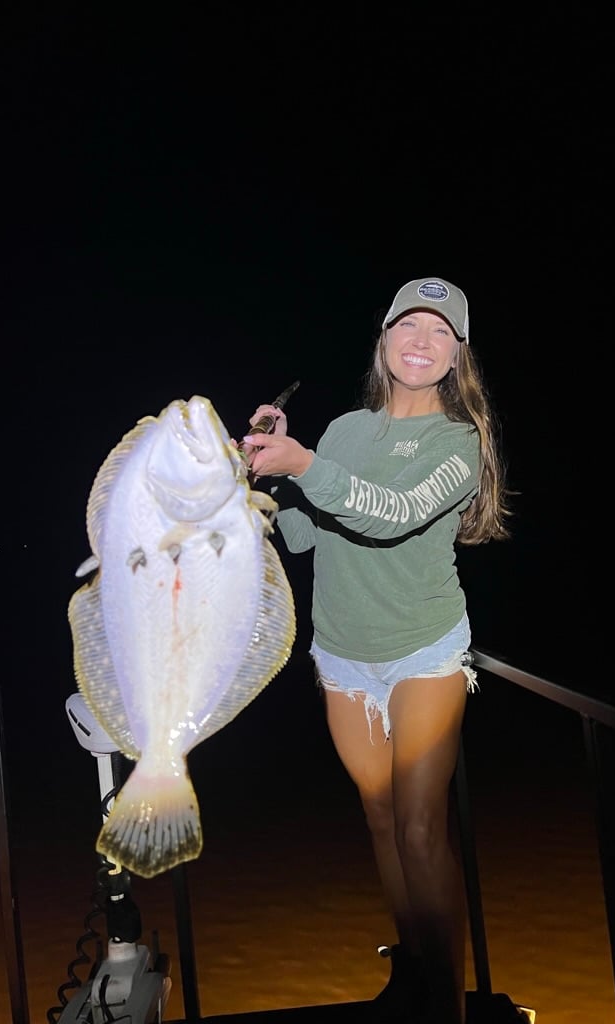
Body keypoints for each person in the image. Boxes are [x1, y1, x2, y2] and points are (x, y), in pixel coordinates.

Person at [242, 277, 511, 1024]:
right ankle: (417, 971)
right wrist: (260, 473)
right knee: (382, 817)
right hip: (342, 656)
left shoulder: (460, 441)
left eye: (440, 333)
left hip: (423, 647)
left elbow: (392, 516)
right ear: (384, 338)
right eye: (409, 326)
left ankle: (448, 1005)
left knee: (424, 827)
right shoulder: (342, 430)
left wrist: (301, 467)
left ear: (458, 357)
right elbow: (305, 534)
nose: (421, 342)